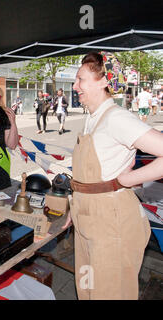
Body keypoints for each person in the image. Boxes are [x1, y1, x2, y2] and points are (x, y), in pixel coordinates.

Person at [64, 51, 163, 300]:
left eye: (81, 79)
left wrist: (127, 180)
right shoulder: (93, 119)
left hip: (113, 223)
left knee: (110, 294)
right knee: (86, 289)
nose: (75, 86)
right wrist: (74, 209)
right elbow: (86, 178)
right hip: (88, 220)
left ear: (104, 81)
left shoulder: (117, 118)